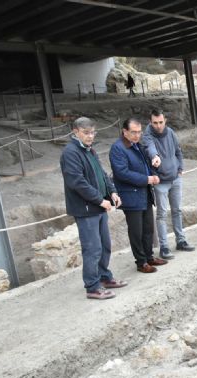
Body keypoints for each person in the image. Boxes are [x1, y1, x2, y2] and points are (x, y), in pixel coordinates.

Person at [60, 117, 126, 300]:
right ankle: (92, 286)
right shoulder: (70, 153)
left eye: (93, 132)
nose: (90, 136)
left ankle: (104, 277)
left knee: (105, 245)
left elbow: (102, 174)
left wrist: (112, 192)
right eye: (86, 133)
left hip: (99, 206)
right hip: (86, 209)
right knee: (92, 248)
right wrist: (99, 199)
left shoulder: (89, 150)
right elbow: (77, 182)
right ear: (75, 132)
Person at [109, 118, 167, 273]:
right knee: (136, 231)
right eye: (133, 132)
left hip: (145, 193)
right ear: (125, 131)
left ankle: (149, 256)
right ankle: (141, 262)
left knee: (148, 228)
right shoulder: (118, 148)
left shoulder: (137, 145)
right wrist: (147, 179)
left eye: (139, 132)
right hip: (131, 196)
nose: (137, 135)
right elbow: (122, 173)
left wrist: (153, 171)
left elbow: (145, 165)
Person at [142, 109, 195, 260]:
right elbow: (150, 147)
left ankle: (181, 240)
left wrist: (180, 168)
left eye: (161, 122)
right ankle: (164, 247)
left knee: (177, 210)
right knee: (161, 214)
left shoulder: (170, 132)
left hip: (175, 178)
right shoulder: (148, 135)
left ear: (165, 121)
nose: (158, 126)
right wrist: (155, 157)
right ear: (150, 122)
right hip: (160, 182)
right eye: (155, 123)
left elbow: (178, 151)